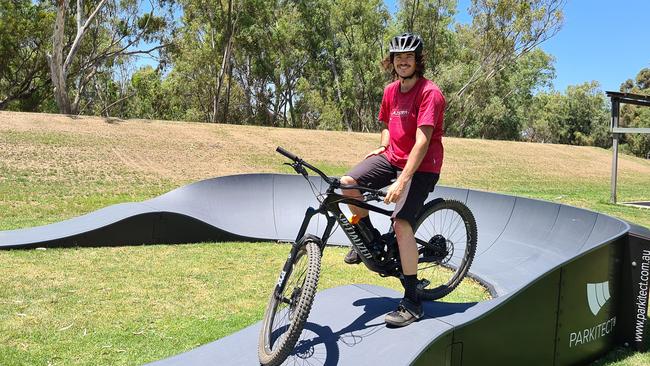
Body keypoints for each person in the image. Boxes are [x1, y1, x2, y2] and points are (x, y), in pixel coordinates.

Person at [340, 32, 445, 327]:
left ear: (418, 61)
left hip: (422, 165)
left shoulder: (429, 93)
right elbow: (387, 124)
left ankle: (412, 301)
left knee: (401, 223)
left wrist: (401, 181)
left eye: (408, 57)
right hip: (393, 156)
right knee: (348, 183)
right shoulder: (390, 91)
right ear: (392, 61)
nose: (403, 62)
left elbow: (422, 143)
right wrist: (384, 144)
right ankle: (369, 242)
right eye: (398, 57)